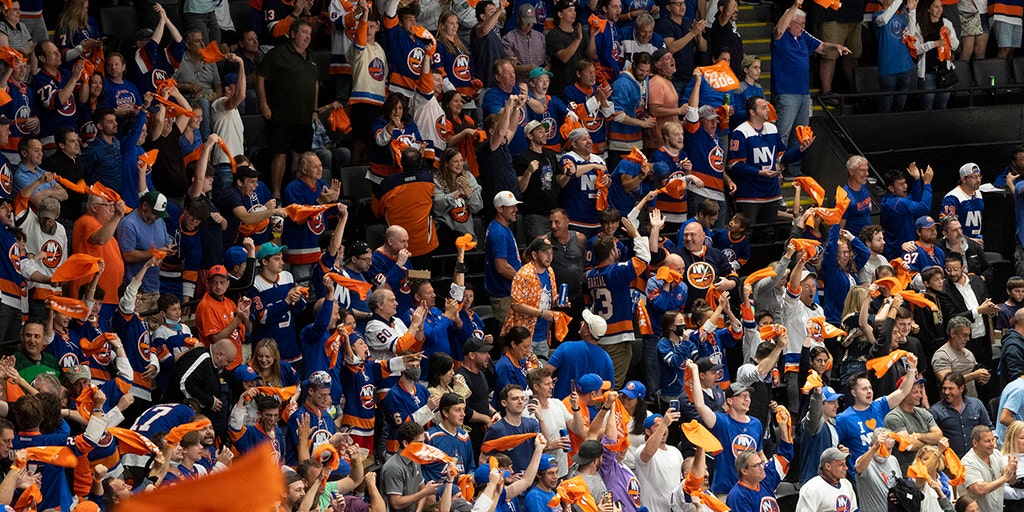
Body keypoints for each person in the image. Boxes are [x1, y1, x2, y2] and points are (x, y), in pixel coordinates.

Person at [771, 1, 849, 175]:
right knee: (782, 133)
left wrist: (836, 46)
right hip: (786, 93)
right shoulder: (781, 36)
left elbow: (820, 47)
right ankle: (776, 168)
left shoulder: (803, 36)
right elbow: (779, 29)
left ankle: (794, 169)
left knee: (801, 134)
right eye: (800, 23)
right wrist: (793, 7)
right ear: (790, 22)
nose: (803, 26)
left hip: (804, 94)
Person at [728, 96, 811, 244]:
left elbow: (782, 156)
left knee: (768, 234)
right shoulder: (740, 132)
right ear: (752, 112)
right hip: (749, 194)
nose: (768, 110)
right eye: (763, 108)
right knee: (746, 233)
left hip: (771, 193)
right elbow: (735, 165)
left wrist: (801, 149)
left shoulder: (772, 129)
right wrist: (759, 172)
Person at [256, 19, 318, 198]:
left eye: (309, 33)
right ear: (292, 34)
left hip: (305, 117)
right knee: (280, 155)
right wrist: (263, 104)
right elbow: (261, 77)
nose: (308, 37)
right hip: (282, 116)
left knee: (299, 157)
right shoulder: (279, 53)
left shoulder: (312, 57)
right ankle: (276, 194)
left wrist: (314, 110)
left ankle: (294, 193)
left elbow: (314, 83)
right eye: (304, 32)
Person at [586, 216, 649, 386]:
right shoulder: (616, 271)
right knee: (612, 385)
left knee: (600, 382)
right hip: (618, 337)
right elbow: (644, 259)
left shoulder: (591, 275)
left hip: (600, 335)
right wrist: (635, 234)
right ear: (613, 252)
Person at [836, 360, 918, 480]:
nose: (869, 391)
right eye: (864, 389)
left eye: (870, 388)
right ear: (854, 393)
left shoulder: (879, 406)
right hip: (863, 475)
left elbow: (903, 391)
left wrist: (911, 369)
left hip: (885, 471)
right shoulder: (843, 419)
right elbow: (834, 445)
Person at [116, 190, 173, 314]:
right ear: (145, 205)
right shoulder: (129, 224)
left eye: (159, 214)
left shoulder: (159, 221)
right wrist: (155, 253)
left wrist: (169, 249)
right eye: (154, 213)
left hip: (154, 287)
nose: (156, 217)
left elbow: (165, 242)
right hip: (136, 292)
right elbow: (127, 255)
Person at [71, 194, 126, 322]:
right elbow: (100, 239)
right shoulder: (87, 221)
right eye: (109, 205)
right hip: (92, 297)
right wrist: (118, 216)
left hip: (107, 297)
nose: (113, 209)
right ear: (95, 208)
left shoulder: (106, 229)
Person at [504, 237, 558, 358]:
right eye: (545, 253)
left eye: (551, 253)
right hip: (523, 336)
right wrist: (541, 313)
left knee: (540, 372)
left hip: (543, 333)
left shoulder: (550, 271)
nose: (549, 256)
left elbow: (551, 296)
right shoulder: (523, 274)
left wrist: (558, 301)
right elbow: (517, 305)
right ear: (534, 254)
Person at [545, 309, 614, 399]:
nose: (581, 323)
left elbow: (545, 372)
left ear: (588, 332)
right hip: (590, 411)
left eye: (584, 323)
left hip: (561, 408)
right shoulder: (606, 359)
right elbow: (609, 391)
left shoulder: (566, 347)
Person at [883, 375, 944, 471]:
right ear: (903, 393)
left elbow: (939, 437)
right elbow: (909, 445)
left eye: (920, 392)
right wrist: (932, 444)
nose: (920, 395)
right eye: (915, 392)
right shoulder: (893, 417)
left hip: (932, 467)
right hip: (910, 471)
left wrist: (918, 436)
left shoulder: (924, 413)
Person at [482, 385, 542, 472]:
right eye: (515, 399)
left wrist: (541, 419)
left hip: (532, 478)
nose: (520, 401)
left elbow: (545, 446)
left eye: (522, 398)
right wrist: (503, 479)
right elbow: (483, 459)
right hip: (509, 482)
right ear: (504, 403)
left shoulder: (532, 423)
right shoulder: (496, 430)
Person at [485, 191, 523, 325]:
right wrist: (523, 279)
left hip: (507, 293)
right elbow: (501, 267)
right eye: (511, 206)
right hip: (504, 296)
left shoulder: (502, 228)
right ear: (499, 209)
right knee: (511, 341)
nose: (516, 209)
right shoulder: (499, 232)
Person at [881, 164, 934, 259]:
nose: (905, 186)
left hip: (904, 248)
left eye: (905, 183)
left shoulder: (891, 199)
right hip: (899, 252)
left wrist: (917, 179)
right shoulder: (896, 203)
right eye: (901, 184)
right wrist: (927, 184)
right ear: (891, 188)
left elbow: (914, 199)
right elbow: (924, 207)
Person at [874, 0, 917, 113]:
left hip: (904, 65)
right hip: (888, 67)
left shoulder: (901, 17)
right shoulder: (877, 16)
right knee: (886, 104)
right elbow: (884, 19)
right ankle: (884, 128)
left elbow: (911, 34)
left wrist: (912, 11)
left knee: (900, 105)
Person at [961, 425, 1016, 511]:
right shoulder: (967, 463)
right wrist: (1005, 477)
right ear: (975, 443)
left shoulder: (996, 454)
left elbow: (1011, 480)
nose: (992, 444)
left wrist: (1012, 472)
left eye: (992, 440)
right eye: (987, 441)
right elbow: (979, 489)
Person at [853, 427, 902, 511]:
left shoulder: (893, 460)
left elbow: (900, 484)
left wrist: (899, 495)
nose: (886, 453)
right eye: (882, 448)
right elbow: (858, 468)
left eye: (889, 449)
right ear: (872, 445)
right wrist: (875, 447)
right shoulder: (866, 462)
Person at [797, 448, 859, 512]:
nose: (846, 467)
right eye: (841, 464)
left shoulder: (846, 483)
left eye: (845, 463)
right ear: (828, 466)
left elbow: (854, 509)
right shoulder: (811, 489)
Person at [939, 216, 991, 282]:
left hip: (974, 285)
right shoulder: (939, 248)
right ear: (945, 234)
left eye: (960, 228)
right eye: (955, 230)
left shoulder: (973, 245)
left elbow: (988, 269)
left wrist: (980, 279)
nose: (959, 232)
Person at [941, 163, 984, 243]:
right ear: (963, 179)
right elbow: (946, 225)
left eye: (979, 176)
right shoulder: (952, 198)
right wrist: (966, 240)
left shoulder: (978, 193)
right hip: (958, 244)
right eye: (974, 177)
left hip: (977, 241)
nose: (978, 180)